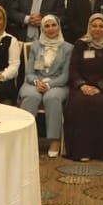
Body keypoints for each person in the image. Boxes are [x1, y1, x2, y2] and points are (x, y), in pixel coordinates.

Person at [66, 13, 103, 162]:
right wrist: (82, 85)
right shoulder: (80, 44)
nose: (97, 29)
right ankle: (80, 151)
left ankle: (101, 152)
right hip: (82, 86)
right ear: (89, 27)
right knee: (79, 102)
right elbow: (73, 68)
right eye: (94, 26)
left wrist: (100, 87)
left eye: (101, 26)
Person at [20, 14, 72, 157]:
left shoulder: (68, 48)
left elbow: (65, 76)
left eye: (53, 25)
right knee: (31, 96)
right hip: (35, 82)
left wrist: (49, 85)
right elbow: (29, 72)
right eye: (47, 26)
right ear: (42, 29)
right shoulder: (36, 45)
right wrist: (36, 82)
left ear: (59, 27)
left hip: (58, 84)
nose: (50, 29)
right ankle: (25, 140)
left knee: (51, 97)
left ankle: (54, 140)